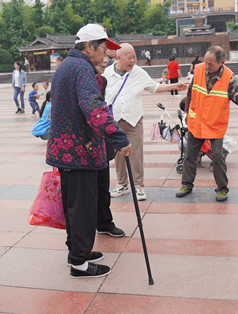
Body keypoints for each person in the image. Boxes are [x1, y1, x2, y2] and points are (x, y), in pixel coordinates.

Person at [46, 23, 130, 279]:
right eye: (103, 47)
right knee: (82, 209)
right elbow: (94, 108)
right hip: (79, 151)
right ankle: (80, 263)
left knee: (74, 207)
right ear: (89, 45)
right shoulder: (83, 68)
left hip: (67, 150)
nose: (106, 53)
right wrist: (118, 137)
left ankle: (76, 251)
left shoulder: (67, 66)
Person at [103, 43, 188, 201]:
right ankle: (122, 184)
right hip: (114, 121)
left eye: (135, 57)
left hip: (134, 120)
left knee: (136, 154)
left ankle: (139, 186)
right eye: (130, 57)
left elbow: (154, 87)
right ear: (119, 58)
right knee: (118, 154)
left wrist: (174, 86)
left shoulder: (138, 73)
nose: (134, 60)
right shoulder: (106, 74)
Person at [176, 46, 238, 202]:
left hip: (215, 126)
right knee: (190, 156)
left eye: (211, 64)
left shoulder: (229, 78)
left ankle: (222, 189)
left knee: (218, 157)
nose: (207, 67)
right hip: (197, 123)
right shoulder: (199, 70)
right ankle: (186, 184)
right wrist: (187, 113)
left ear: (222, 62)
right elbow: (190, 92)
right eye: (206, 62)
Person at [94, 55, 126, 238]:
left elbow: (101, 109)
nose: (103, 66)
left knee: (103, 186)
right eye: (100, 63)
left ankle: (104, 223)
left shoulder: (102, 80)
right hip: (83, 144)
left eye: (105, 63)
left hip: (101, 139)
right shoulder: (82, 76)